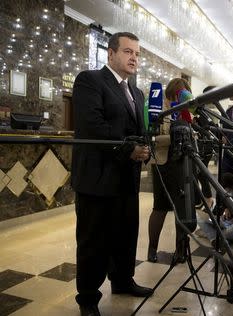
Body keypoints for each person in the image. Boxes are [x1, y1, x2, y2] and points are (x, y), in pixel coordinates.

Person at [71, 32, 153, 316]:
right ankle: (88, 298)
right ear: (111, 54)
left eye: (138, 54)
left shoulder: (136, 91)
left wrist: (145, 149)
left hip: (126, 181)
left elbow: (140, 132)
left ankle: (121, 280)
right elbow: (93, 126)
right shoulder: (90, 80)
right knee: (94, 242)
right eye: (128, 52)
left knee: (125, 235)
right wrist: (129, 149)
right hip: (97, 179)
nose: (134, 58)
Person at [147, 78, 197, 264]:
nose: (180, 96)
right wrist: (175, 137)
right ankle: (152, 249)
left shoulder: (187, 112)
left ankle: (181, 250)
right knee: (159, 207)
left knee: (181, 208)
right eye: (178, 93)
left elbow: (193, 136)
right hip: (163, 164)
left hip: (183, 164)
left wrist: (190, 135)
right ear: (171, 93)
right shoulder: (158, 109)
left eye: (184, 93)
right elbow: (152, 137)